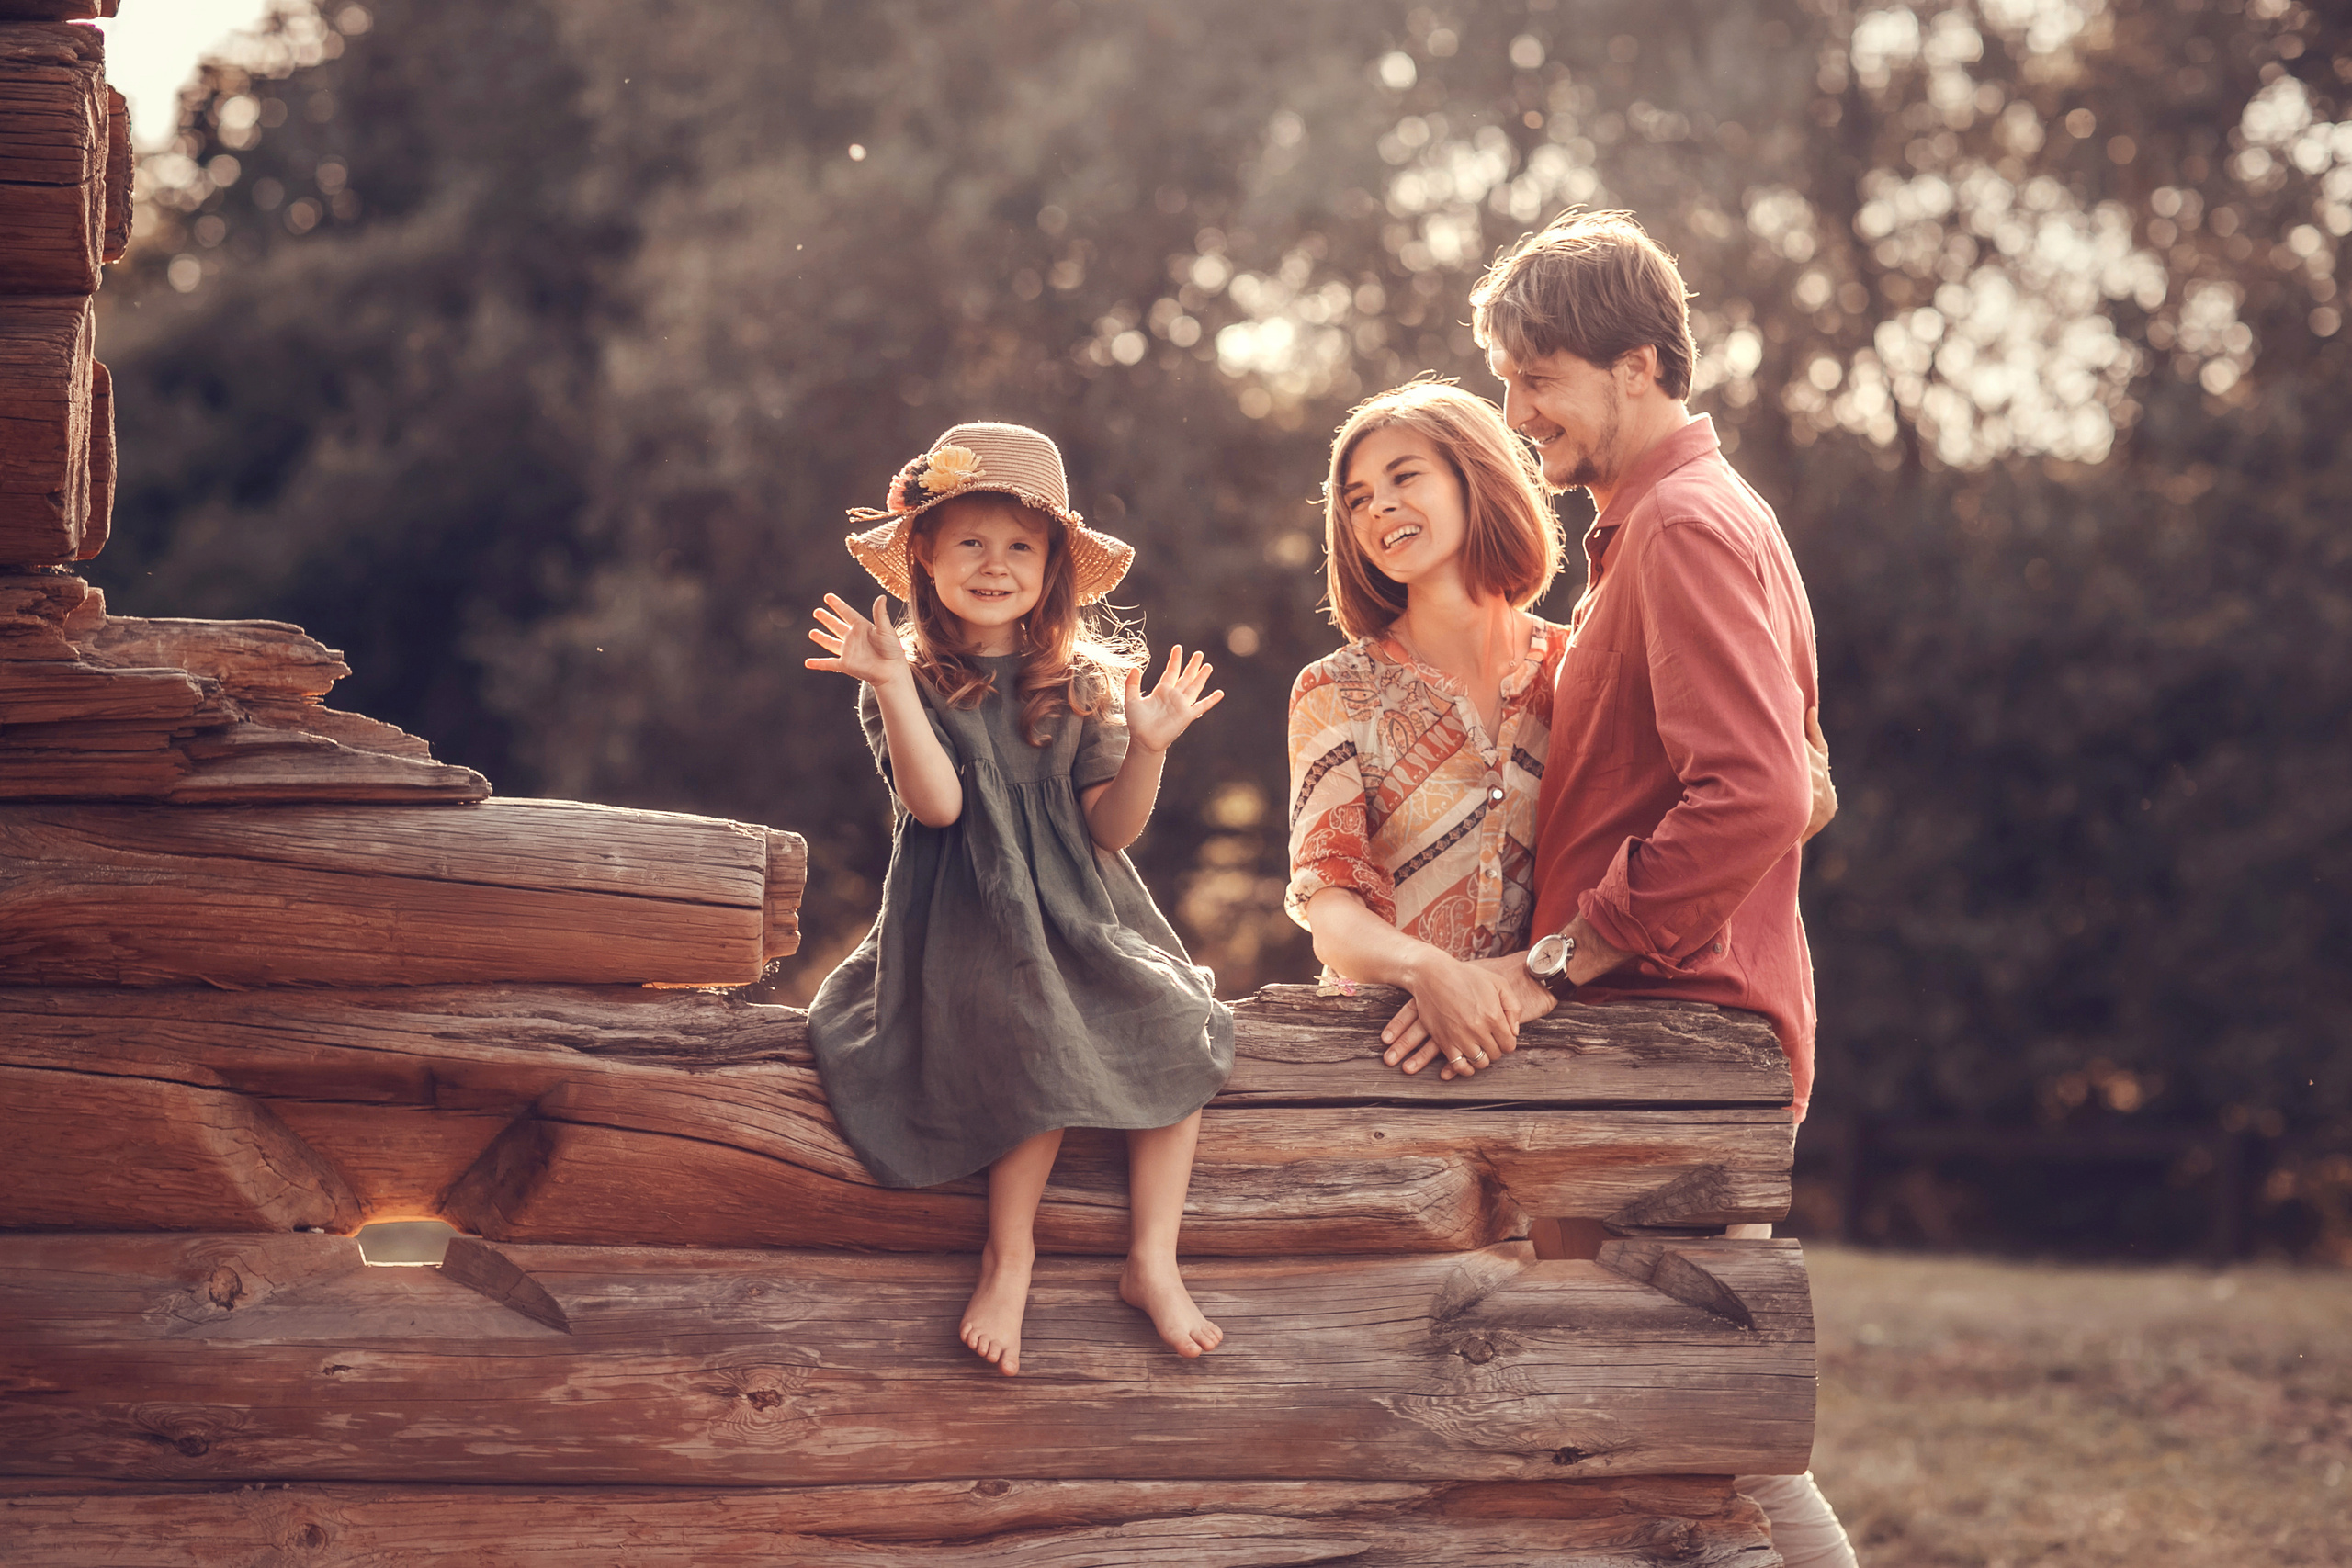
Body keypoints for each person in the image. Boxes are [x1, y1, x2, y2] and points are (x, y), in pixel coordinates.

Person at [805, 421, 1234, 1379]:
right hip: (963, 918)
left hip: (1083, 911)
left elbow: (1110, 832)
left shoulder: (1083, 685)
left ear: (1052, 570)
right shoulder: (902, 679)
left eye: (1020, 546)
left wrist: (1150, 747)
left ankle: (1151, 1260)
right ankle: (1010, 1254)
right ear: (922, 554)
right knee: (1023, 1006)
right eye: (969, 541)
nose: (994, 565)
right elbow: (940, 805)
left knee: (1174, 1015)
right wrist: (893, 689)